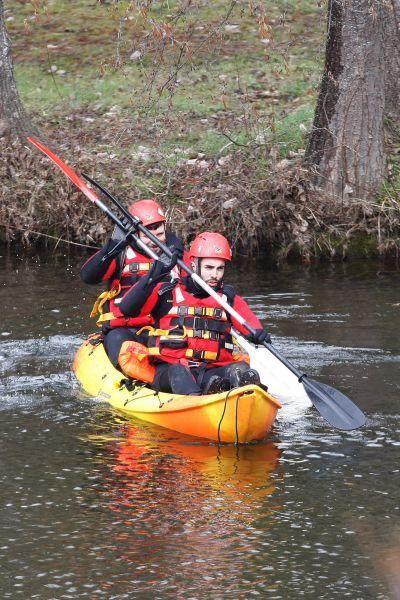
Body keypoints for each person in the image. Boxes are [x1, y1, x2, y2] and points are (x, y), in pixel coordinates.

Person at [118, 232, 271, 395]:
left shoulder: (228, 299)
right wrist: (155, 273)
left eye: (220, 268)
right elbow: (127, 309)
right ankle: (199, 402)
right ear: (193, 264)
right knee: (179, 371)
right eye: (209, 267)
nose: (215, 275)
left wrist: (259, 335)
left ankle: (236, 395)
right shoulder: (166, 292)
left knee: (239, 370)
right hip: (170, 371)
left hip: (212, 370)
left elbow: (253, 328)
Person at [80, 198, 184, 367]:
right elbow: (88, 276)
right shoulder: (121, 254)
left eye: (159, 235)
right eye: (148, 236)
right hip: (123, 330)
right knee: (121, 349)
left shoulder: (175, 256)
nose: (154, 242)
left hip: (162, 330)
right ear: (135, 234)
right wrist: (114, 245)